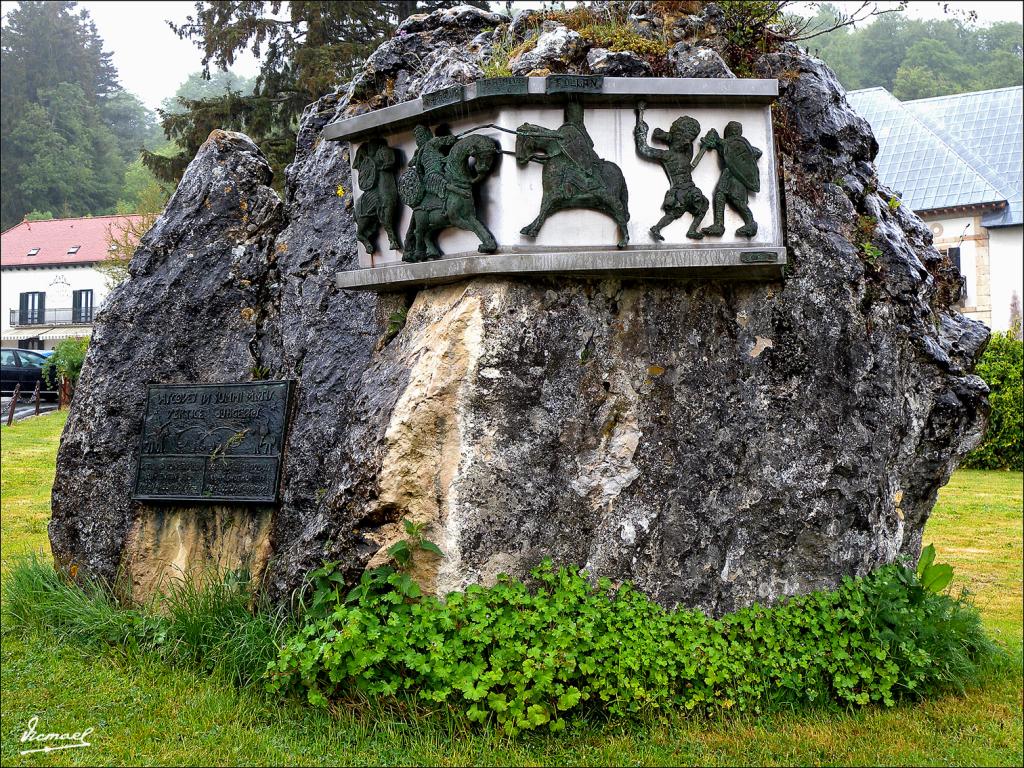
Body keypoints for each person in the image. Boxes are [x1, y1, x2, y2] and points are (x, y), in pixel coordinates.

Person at [634, 114, 710, 241]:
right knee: (673, 214)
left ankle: (692, 230)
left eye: (690, 139)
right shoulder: (667, 155)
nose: (687, 142)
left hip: (690, 188)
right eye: (684, 138)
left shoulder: (686, 155)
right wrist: (641, 133)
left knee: (704, 204)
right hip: (679, 190)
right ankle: (657, 228)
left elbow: (691, 165)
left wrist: (703, 148)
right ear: (676, 137)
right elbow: (644, 149)